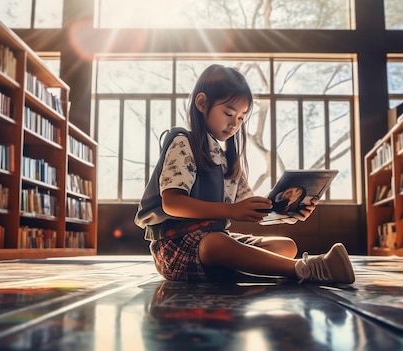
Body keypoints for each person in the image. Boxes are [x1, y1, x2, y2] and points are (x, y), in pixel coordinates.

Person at [134, 64, 355, 284]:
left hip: (216, 240)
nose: (234, 124)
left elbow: (251, 209)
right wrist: (231, 210)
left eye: (241, 118)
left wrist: (290, 212)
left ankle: (245, 267)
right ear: (202, 103)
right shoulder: (183, 143)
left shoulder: (225, 159)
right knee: (217, 244)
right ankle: (308, 269)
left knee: (286, 245)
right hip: (175, 246)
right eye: (229, 113)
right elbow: (171, 204)